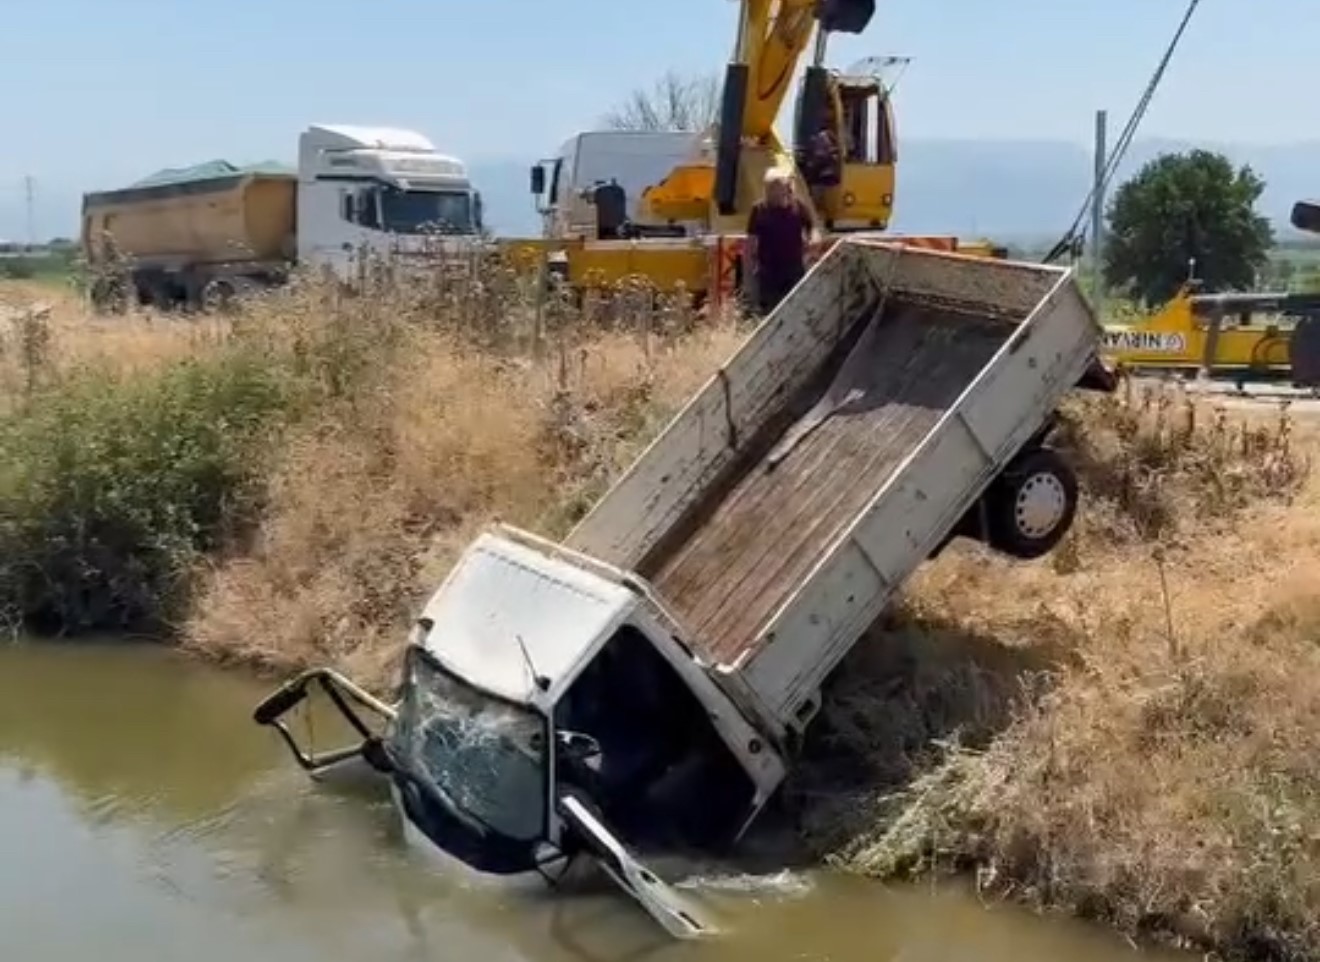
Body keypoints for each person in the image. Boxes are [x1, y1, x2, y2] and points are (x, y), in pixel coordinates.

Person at [744, 168, 817, 316]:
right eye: (770, 187)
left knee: (796, 311)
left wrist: (811, 241)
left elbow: (812, 228)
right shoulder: (759, 210)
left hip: (794, 269)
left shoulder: (798, 207)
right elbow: (751, 241)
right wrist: (750, 268)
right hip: (768, 271)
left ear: (785, 187)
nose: (774, 191)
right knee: (770, 313)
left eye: (778, 186)